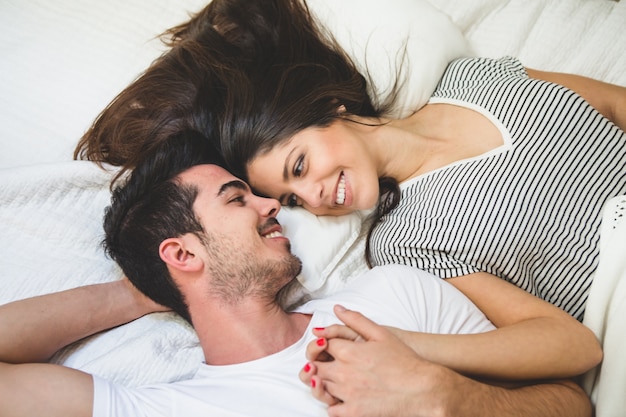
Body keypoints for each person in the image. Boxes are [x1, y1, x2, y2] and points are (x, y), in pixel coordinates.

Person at [0, 132, 593, 417]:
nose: (271, 205)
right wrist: (139, 293)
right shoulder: (159, 409)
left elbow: (572, 402)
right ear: (182, 255)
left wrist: (454, 398)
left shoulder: (390, 295)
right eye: (238, 200)